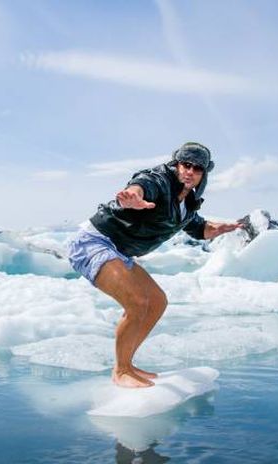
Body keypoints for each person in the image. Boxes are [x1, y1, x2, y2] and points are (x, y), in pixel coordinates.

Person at [68, 142, 243, 388]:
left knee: (157, 302)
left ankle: (128, 364)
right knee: (138, 303)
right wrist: (133, 195)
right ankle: (120, 371)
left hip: (119, 252)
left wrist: (218, 229)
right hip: (94, 242)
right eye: (185, 165)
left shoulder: (188, 204)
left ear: (204, 173)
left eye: (197, 168)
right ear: (177, 165)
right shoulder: (160, 180)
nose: (189, 171)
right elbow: (143, 184)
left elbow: (199, 229)